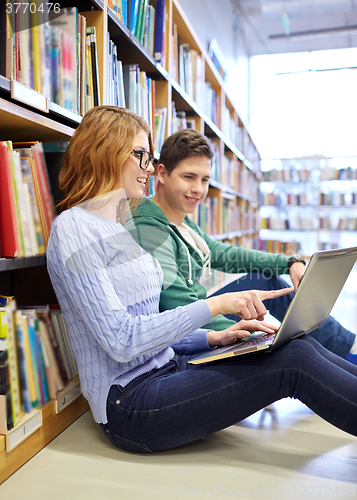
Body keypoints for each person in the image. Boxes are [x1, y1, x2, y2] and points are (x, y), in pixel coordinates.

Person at [47, 106, 357, 454]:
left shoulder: (119, 228)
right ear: (105, 150)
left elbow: (151, 326)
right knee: (294, 365)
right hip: (130, 403)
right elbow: (122, 341)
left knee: (293, 346)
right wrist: (214, 306)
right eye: (140, 155)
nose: (148, 167)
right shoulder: (73, 228)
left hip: (170, 367)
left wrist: (212, 338)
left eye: (149, 157)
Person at [128, 128, 357, 360]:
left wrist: (289, 262)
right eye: (189, 177)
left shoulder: (183, 222)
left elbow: (229, 255)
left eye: (205, 179)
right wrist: (246, 335)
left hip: (200, 310)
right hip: (187, 329)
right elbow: (180, 305)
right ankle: (347, 353)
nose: (198, 189)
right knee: (294, 349)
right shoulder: (151, 229)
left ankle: (348, 347)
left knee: (264, 278)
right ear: (162, 174)